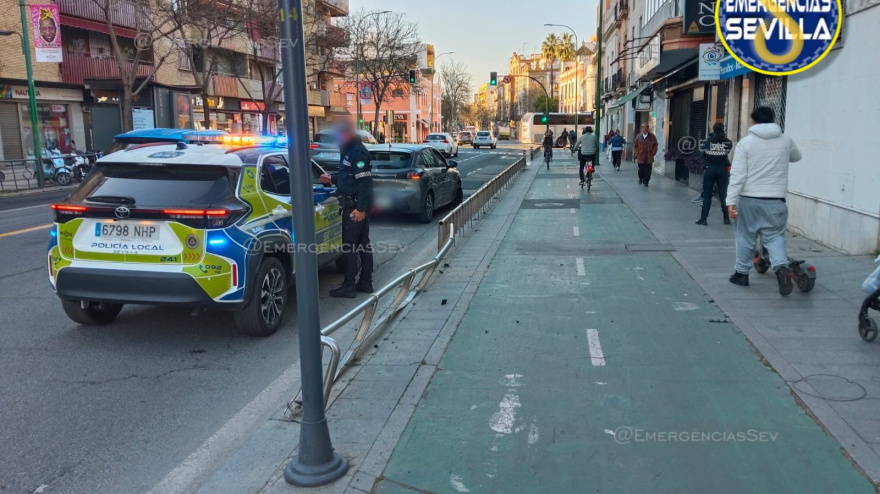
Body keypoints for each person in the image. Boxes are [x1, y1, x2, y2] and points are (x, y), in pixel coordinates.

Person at [727, 106, 802, 295]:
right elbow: (797, 157)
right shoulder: (786, 140)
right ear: (773, 119)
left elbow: (737, 175)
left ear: (754, 121)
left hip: (749, 200)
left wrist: (730, 201)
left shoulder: (746, 143)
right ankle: (781, 268)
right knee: (775, 237)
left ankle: (741, 274)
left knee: (745, 236)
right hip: (776, 200)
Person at [324, 121, 375, 298]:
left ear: (346, 134)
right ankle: (365, 282)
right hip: (355, 204)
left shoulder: (357, 152)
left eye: (338, 135)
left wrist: (361, 208)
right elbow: (349, 178)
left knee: (351, 247)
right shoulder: (350, 150)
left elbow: (365, 183)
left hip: (354, 207)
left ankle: (349, 285)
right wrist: (332, 178)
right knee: (361, 245)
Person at [696, 123, 734, 226]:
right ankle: (726, 218)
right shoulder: (727, 142)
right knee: (723, 195)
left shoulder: (707, 141)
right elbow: (727, 151)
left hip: (710, 169)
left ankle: (703, 219)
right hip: (723, 169)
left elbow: (704, 153)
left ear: (713, 129)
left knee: (707, 195)